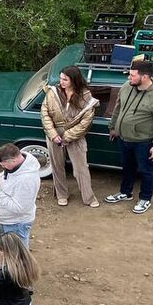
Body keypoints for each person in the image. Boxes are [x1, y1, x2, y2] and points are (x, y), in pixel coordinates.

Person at [106, 58, 153, 214]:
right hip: (123, 138)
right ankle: (125, 193)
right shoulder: (127, 86)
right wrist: (113, 127)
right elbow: (118, 107)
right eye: (129, 74)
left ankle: (145, 199)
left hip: (144, 142)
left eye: (132, 75)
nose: (129, 78)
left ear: (145, 77)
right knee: (127, 167)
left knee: (146, 171)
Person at [40, 66, 99, 208]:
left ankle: (89, 198)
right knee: (57, 166)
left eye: (65, 79)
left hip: (75, 136)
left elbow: (86, 122)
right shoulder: (53, 92)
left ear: (74, 80)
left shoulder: (86, 96)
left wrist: (67, 136)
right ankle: (61, 195)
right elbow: (45, 113)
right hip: (54, 134)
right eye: (61, 78)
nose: (61, 82)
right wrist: (53, 135)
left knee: (81, 168)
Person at [0, 143, 41, 246]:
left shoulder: (27, 180)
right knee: (6, 251)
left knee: (17, 257)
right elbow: (8, 176)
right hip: (6, 220)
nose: (3, 168)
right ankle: (5, 263)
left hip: (16, 224)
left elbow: (19, 208)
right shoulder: (16, 166)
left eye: (4, 165)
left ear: (13, 160)